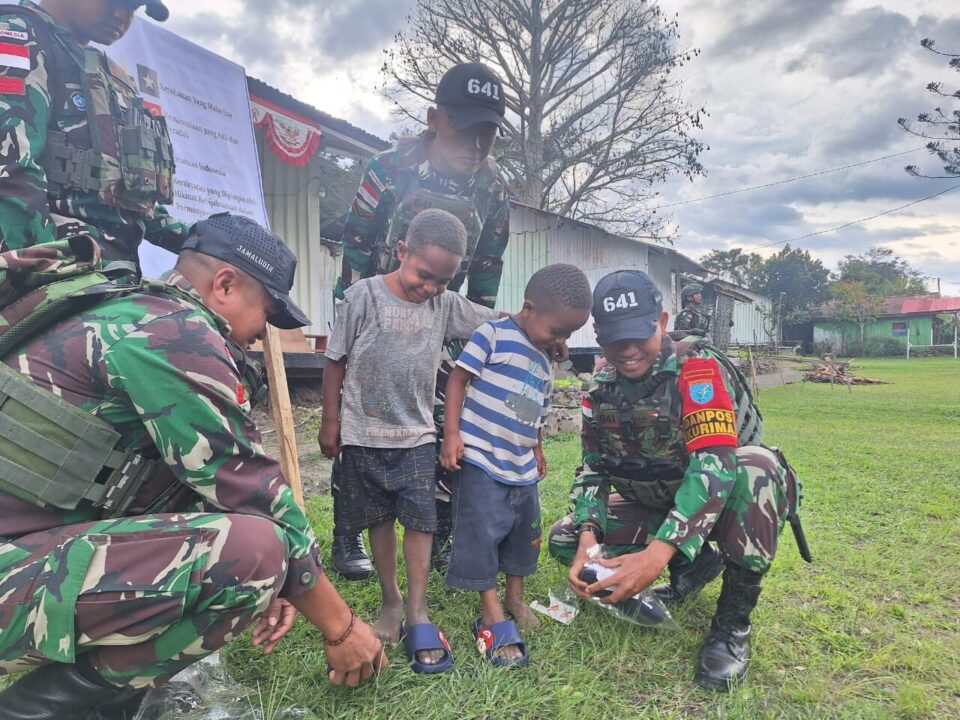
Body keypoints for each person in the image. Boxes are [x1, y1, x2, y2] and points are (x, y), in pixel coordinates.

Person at [0, 213, 385, 720]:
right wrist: (342, 627)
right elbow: (256, 495)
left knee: (250, 547)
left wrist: (293, 580)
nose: (258, 335)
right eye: (264, 313)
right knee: (254, 554)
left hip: (22, 554)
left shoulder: (127, 310)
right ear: (225, 284)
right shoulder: (170, 332)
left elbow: (197, 486)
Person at [548, 269, 803, 691]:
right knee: (564, 537)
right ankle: (695, 561)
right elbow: (593, 466)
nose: (628, 350)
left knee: (758, 466)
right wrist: (589, 538)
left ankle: (732, 625)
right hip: (656, 500)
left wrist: (657, 553)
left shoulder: (698, 369)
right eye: (615, 339)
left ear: (662, 323)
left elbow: (713, 463)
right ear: (597, 333)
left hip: (721, 505)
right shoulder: (600, 386)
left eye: (639, 335)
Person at [328, 61, 512, 579]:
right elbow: (356, 250)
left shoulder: (494, 190)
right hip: (376, 317)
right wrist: (351, 321)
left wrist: (485, 344)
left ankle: (442, 530)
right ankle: (348, 536)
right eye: (467, 126)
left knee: (440, 427)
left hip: (442, 320)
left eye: (490, 131)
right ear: (434, 118)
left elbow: (487, 274)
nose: (478, 142)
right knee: (361, 427)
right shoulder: (388, 169)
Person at [319, 209, 499, 674]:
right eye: (424, 275)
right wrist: (330, 420)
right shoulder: (362, 297)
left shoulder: (445, 305)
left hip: (417, 435)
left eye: (444, 280)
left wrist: (540, 330)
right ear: (402, 252)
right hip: (362, 435)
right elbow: (335, 362)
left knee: (421, 522)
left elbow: (499, 322)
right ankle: (392, 601)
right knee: (378, 520)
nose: (431, 288)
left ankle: (418, 607)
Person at [440, 264, 591, 666]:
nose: (562, 342)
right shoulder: (493, 334)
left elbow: (538, 410)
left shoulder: (545, 360)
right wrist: (452, 434)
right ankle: (490, 611)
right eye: (557, 331)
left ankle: (515, 598)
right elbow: (458, 380)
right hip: (482, 459)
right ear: (528, 307)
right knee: (482, 533)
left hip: (521, 464)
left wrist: (538, 448)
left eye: (568, 335)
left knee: (523, 534)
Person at [0, 0, 187, 266]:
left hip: (108, 273)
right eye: (115, 2)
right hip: (51, 270)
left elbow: (126, 192)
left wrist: (207, 243)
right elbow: (9, 172)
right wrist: (41, 270)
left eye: (133, 9)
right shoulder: (19, 35)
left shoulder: (106, 73)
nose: (122, 16)